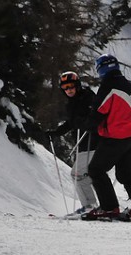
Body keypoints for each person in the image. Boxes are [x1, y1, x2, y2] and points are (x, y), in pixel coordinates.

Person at [82, 54, 131, 221]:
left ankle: (109, 208)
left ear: (101, 69)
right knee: (125, 174)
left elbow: (99, 110)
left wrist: (88, 124)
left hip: (115, 138)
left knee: (96, 170)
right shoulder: (129, 86)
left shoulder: (108, 86)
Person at [47, 71, 99, 215]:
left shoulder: (88, 98)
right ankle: (92, 206)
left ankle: (90, 206)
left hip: (93, 141)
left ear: (77, 85)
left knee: (77, 174)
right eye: (65, 87)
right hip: (84, 143)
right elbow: (72, 122)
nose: (68, 90)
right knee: (85, 175)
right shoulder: (73, 102)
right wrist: (56, 132)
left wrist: (83, 122)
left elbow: (93, 118)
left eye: (71, 86)